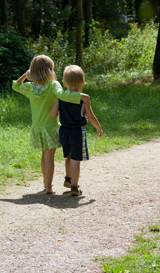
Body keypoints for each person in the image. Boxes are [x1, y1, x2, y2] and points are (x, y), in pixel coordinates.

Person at [12, 55, 91, 194]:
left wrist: (25, 74)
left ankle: (46, 183)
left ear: (33, 71)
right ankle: (48, 187)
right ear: (49, 71)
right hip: (50, 127)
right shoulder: (53, 85)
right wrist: (80, 96)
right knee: (49, 158)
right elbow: (63, 95)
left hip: (37, 128)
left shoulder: (30, 88)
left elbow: (15, 85)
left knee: (44, 156)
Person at [50, 65, 103, 196]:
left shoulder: (60, 98)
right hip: (77, 133)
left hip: (63, 132)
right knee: (76, 159)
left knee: (68, 155)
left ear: (64, 83)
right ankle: (74, 186)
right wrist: (98, 128)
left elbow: (52, 114)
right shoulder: (84, 101)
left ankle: (68, 178)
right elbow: (91, 117)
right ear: (82, 82)